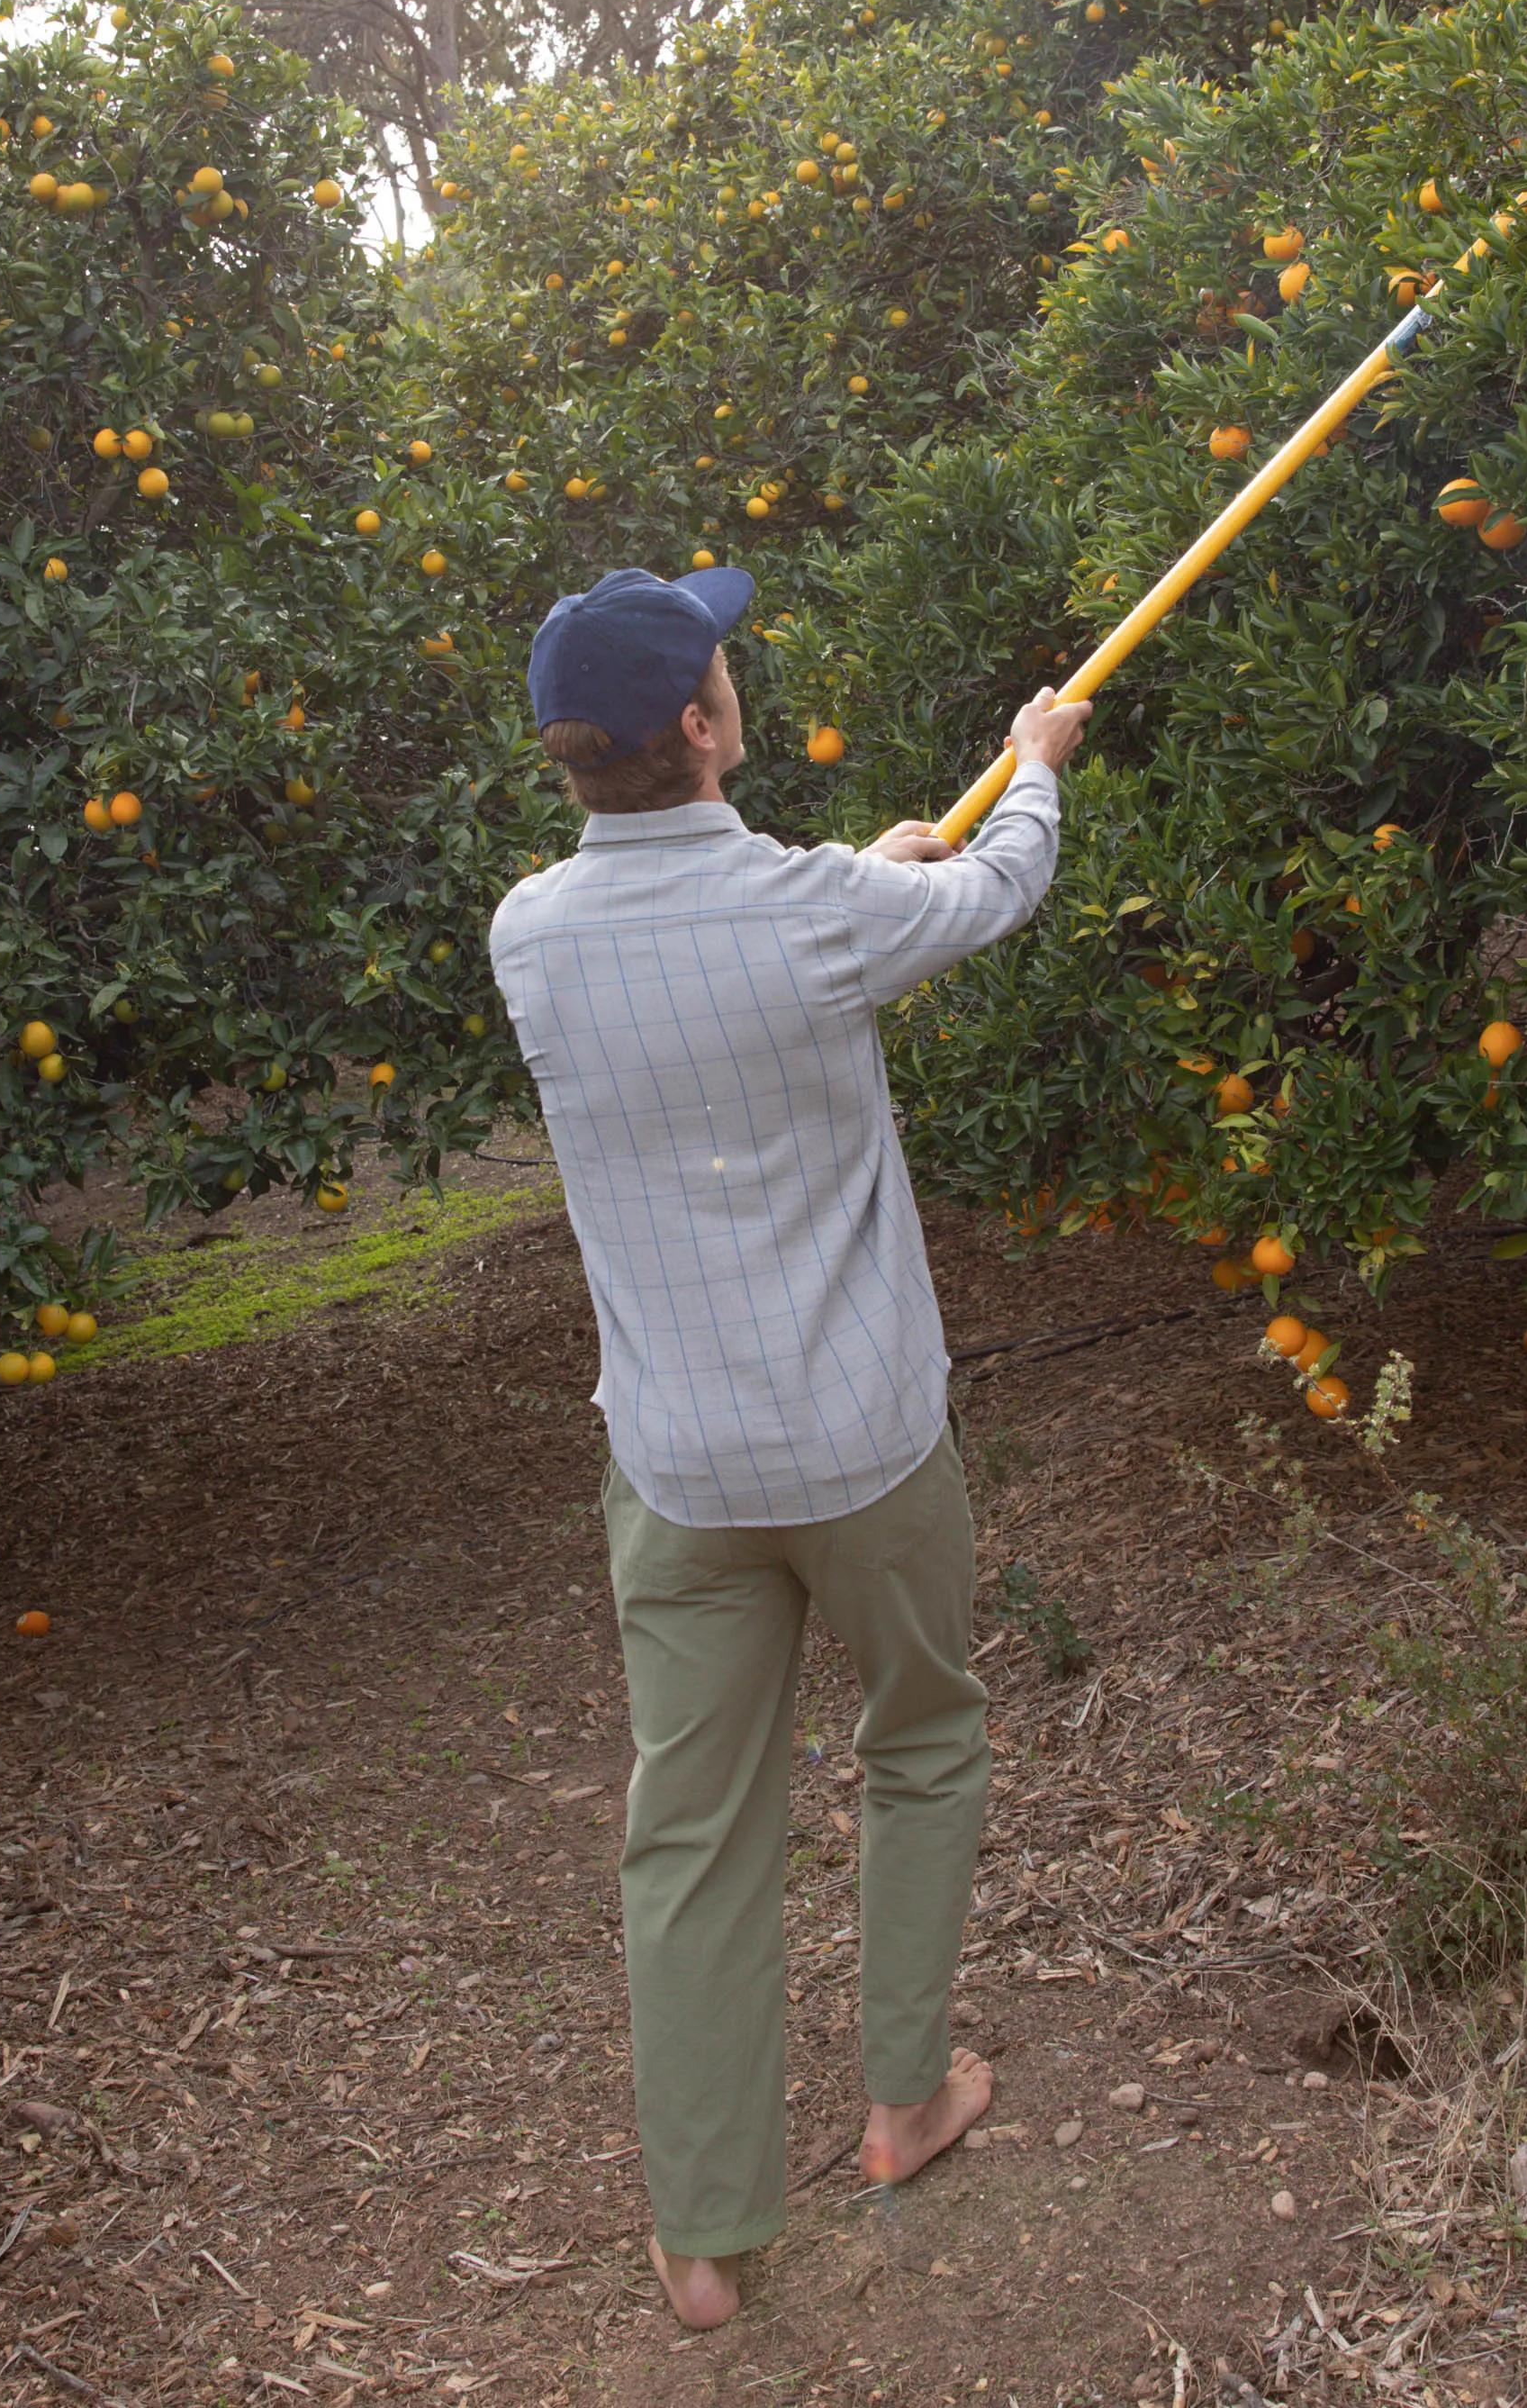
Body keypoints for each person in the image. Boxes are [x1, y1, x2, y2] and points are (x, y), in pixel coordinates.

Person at [485, 563, 1089, 2331]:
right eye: (721, 663)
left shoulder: (531, 933)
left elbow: (770, 938)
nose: (733, 674)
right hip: (865, 1445)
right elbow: (1002, 884)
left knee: (692, 1832)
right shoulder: (817, 914)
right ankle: (905, 2103)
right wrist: (1034, 756)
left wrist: (869, 878)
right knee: (921, 1735)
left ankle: (705, 2242)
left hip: (679, 1465)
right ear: (702, 722)